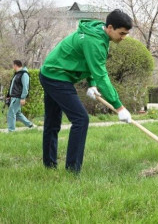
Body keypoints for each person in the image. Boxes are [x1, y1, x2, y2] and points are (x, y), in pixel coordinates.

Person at [39, 9, 133, 173]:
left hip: (53, 73)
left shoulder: (98, 34)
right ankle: (72, 171)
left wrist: (91, 84)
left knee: (53, 123)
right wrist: (119, 107)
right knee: (81, 119)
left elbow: (88, 61)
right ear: (110, 27)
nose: (123, 37)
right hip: (56, 76)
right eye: (122, 33)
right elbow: (102, 74)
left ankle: (49, 166)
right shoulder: (95, 41)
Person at [6, 60, 35, 132]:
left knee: (11, 113)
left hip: (18, 97)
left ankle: (11, 130)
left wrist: (23, 98)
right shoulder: (17, 74)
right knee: (18, 114)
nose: (12, 67)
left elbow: (25, 87)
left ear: (15, 65)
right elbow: (13, 86)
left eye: (13, 65)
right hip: (14, 96)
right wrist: (9, 95)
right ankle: (31, 125)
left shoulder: (24, 74)